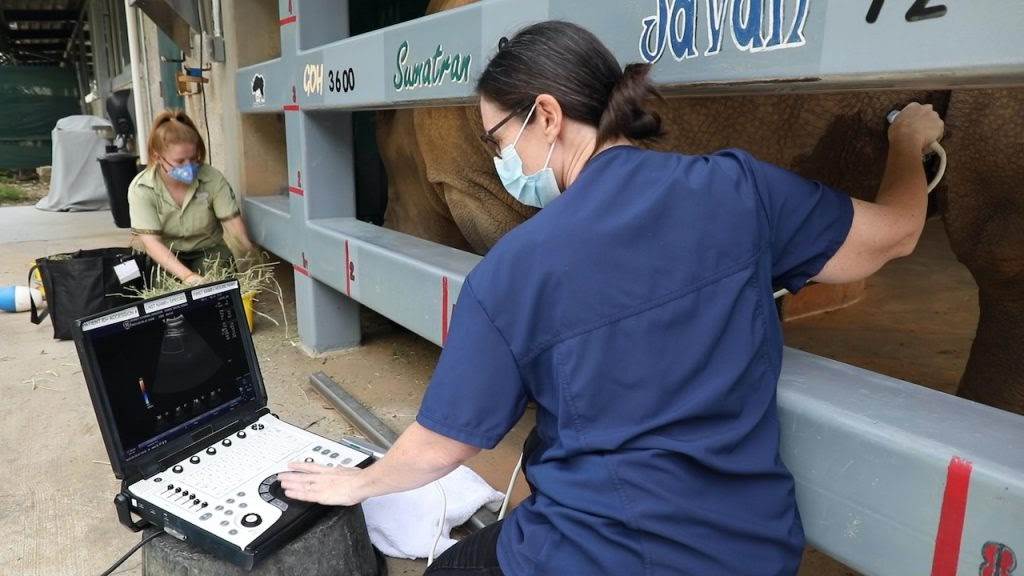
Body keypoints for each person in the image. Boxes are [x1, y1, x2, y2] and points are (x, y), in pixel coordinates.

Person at [279, 21, 943, 575]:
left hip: (593, 555)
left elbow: (440, 446)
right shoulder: (739, 191)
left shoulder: (515, 270)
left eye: (498, 141)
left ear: (546, 115)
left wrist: (357, 484)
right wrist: (908, 145)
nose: (500, 161)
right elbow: (897, 234)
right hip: (751, 553)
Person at [128, 109, 255, 285]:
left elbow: (233, 226)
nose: (189, 166)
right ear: (157, 157)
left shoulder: (212, 178)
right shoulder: (142, 188)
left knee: (217, 279)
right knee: (166, 289)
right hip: (167, 254)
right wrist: (188, 277)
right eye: (180, 161)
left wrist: (250, 261)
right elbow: (151, 244)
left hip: (209, 251)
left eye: (194, 158)